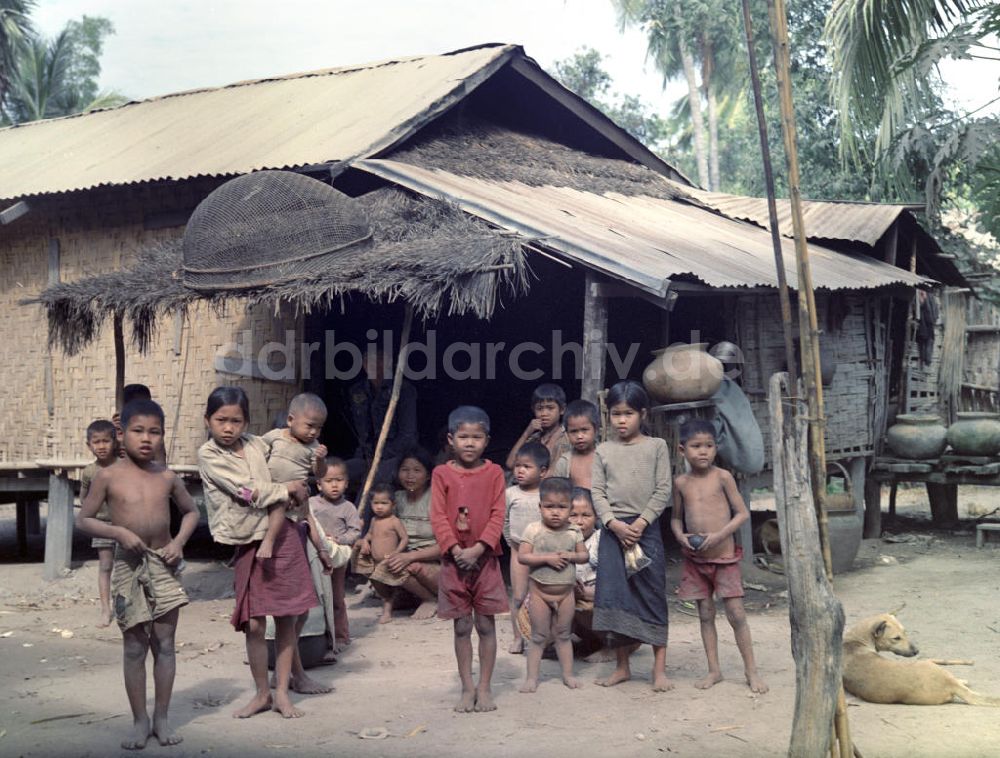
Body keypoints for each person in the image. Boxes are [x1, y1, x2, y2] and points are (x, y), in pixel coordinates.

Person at [197, 386, 329, 720]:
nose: (228, 428)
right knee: (254, 624)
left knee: (287, 617)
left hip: (282, 532)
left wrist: (309, 473)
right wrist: (286, 489)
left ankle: (282, 691)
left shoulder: (259, 443)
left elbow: (295, 459)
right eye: (221, 420)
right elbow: (244, 490)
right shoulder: (209, 455)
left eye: (236, 421)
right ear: (207, 421)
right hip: (247, 539)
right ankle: (261, 693)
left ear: (246, 422)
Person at [76, 399, 199, 750]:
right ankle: (139, 721)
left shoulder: (167, 476)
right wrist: (119, 533)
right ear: (121, 434)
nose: (146, 438)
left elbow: (190, 513)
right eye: (138, 431)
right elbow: (83, 519)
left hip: (164, 563)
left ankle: (161, 717)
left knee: (165, 643)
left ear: (162, 435)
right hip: (129, 565)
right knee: (133, 647)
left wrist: (179, 541)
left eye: (155, 432)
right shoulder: (108, 475)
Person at [671, 419, 768, 693]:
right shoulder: (680, 482)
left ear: (716, 448)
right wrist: (680, 536)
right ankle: (714, 671)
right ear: (682, 450)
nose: (703, 452)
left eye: (709, 446)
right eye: (696, 446)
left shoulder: (723, 477)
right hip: (696, 559)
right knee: (704, 614)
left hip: (724, 557)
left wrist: (719, 536)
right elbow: (676, 519)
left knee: (736, 614)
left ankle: (752, 672)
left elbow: (742, 514)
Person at [591, 380, 672, 692]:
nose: (621, 420)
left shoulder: (657, 447)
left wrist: (641, 523)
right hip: (614, 533)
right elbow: (597, 492)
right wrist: (613, 523)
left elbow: (663, 488)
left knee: (652, 594)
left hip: (646, 530)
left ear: (643, 414)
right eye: (615, 414)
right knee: (617, 600)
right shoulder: (604, 451)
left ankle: (659, 670)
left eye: (628, 413)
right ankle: (622, 666)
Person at [430, 406, 508, 713]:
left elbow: (498, 514)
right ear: (451, 439)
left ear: (486, 440)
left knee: (486, 626)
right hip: (453, 562)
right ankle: (467, 688)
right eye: (463, 437)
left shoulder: (495, 473)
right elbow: (437, 515)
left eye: (477, 437)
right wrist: (454, 548)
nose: (470, 443)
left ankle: (485, 688)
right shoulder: (441, 473)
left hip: (485, 560)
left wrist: (477, 549)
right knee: (461, 627)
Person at [517, 476, 588, 693]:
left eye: (562, 507)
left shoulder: (573, 531)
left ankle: (567, 674)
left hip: (566, 593)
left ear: (570, 507)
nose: (555, 512)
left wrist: (570, 555)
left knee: (564, 635)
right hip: (539, 592)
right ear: (540, 507)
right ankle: (532, 678)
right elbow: (523, 557)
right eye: (549, 507)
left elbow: (584, 556)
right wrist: (546, 558)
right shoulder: (533, 529)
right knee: (538, 636)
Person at [367, 448, 442, 620]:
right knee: (369, 560)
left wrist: (409, 557)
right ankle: (405, 596)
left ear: (428, 475)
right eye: (405, 470)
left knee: (408, 566)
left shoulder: (435, 499)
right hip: (403, 556)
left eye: (417, 470)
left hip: (435, 563)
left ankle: (430, 600)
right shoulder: (396, 499)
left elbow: (445, 547)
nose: (410, 476)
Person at [259, 393, 329, 560]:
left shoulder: (314, 446)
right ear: (290, 420)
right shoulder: (275, 435)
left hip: (295, 492)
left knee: (306, 518)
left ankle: (322, 551)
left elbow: (319, 474)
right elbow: (257, 450)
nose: (314, 432)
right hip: (273, 488)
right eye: (310, 426)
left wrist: (320, 460)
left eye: (319, 428)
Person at [345, 347, 418, 489]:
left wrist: (379, 457)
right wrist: (367, 456)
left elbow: (407, 437)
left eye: (379, 359)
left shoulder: (403, 390)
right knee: (335, 473)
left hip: (397, 457)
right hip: (366, 457)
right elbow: (362, 433)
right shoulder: (357, 391)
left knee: (373, 480)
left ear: (389, 362)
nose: (374, 364)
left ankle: (358, 511)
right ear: (363, 364)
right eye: (368, 360)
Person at [503, 441, 549, 654]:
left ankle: (541, 637)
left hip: (543, 553)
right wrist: (511, 541)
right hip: (518, 552)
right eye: (518, 466)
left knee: (542, 595)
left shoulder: (547, 495)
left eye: (526, 467)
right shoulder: (510, 493)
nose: (520, 470)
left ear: (543, 471)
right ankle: (517, 637)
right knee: (519, 596)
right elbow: (503, 520)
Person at [309, 458, 360, 650]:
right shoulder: (311, 504)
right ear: (319, 484)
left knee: (336, 598)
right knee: (316, 598)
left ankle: (340, 635)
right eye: (329, 481)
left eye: (339, 480)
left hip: (336, 557)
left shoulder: (348, 508)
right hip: (314, 556)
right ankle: (318, 635)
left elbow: (354, 532)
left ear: (346, 483)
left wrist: (339, 540)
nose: (334, 485)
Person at [79, 418, 118, 627]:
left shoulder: (123, 467)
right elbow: (83, 498)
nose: (101, 446)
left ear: (114, 442)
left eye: (106, 441)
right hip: (101, 526)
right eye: (96, 442)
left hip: (125, 525)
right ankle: (105, 609)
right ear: (89, 445)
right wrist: (90, 517)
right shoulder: (89, 471)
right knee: (105, 566)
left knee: (127, 566)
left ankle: (127, 606)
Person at [356, 483, 409, 624]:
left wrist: (397, 552)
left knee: (389, 588)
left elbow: (404, 538)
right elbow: (368, 535)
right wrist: (366, 542)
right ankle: (387, 600)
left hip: (388, 560)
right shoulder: (374, 520)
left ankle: (387, 609)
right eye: (376, 503)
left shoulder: (394, 521)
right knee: (375, 580)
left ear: (393, 504)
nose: (379, 507)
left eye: (384, 503)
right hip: (375, 560)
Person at [505, 383, 571, 471]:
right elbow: (510, 463)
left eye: (550, 408)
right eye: (540, 409)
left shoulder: (567, 437)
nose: (544, 413)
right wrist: (527, 433)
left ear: (562, 409)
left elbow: (554, 470)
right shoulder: (534, 438)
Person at [550, 399, 599, 488]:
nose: (579, 436)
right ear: (567, 433)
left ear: (595, 429)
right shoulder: (564, 462)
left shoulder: (606, 457)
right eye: (574, 431)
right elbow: (557, 491)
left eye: (584, 430)